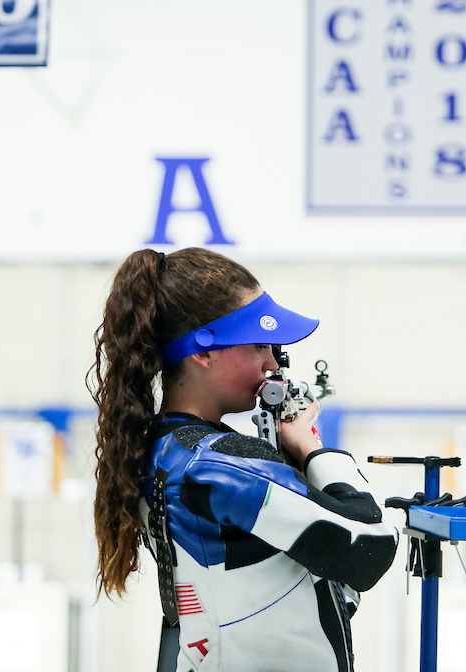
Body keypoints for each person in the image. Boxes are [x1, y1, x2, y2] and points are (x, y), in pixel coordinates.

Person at [90, 247, 399, 672]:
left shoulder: (164, 448)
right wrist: (313, 450)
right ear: (203, 353)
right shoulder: (220, 466)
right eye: (258, 345)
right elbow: (371, 545)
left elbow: (298, 579)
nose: (272, 362)